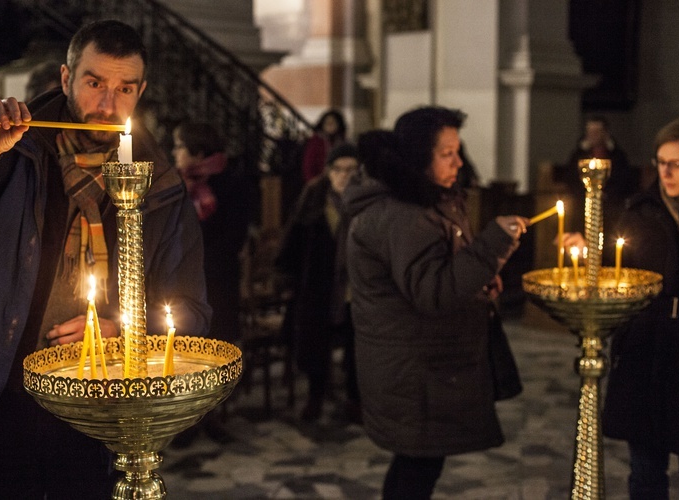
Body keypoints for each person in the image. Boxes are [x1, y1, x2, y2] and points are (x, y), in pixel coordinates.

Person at [0, 20, 211, 499]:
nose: (108, 105)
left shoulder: (162, 186)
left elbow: (190, 307)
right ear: (66, 79)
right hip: (4, 387)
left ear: (141, 90)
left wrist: (122, 328)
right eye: (94, 84)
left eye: (125, 88)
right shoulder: (16, 148)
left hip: (99, 398)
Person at [344, 106, 526, 499]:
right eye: (447, 153)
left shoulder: (421, 202)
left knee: (420, 463)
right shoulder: (404, 215)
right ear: (417, 157)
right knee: (417, 467)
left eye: (458, 151)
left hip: (419, 361)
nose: (459, 162)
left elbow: (436, 274)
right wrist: (492, 245)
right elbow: (435, 292)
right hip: (414, 367)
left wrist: (479, 281)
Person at [593, 116, 679, 499]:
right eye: (660, 161)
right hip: (645, 350)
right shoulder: (641, 210)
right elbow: (614, 270)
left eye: (677, 163)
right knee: (646, 470)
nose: (664, 171)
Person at [168, 120, 255, 446]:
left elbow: (235, 234)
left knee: (216, 352)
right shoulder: (175, 185)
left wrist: (197, 258)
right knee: (184, 352)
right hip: (181, 285)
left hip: (217, 282)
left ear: (198, 150)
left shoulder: (232, 183)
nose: (174, 152)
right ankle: (186, 422)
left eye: (179, 146)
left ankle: (213, 417)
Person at [276, 142, 361, 422]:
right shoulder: (314, 197)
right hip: (317, 283)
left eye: (351, 169)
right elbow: (293, 238)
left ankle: (354, 399)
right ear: (329, 171)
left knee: (356, 344)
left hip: (354, 287)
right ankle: (315, 395)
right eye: (338, 169)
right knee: (315, 342)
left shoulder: (364, 201)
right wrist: (287, 279)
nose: (344, 176)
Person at [560, 115, 635, 230]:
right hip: (583, 207)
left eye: (596, 131)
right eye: (589, 131)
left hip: (610, 209)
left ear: (605, 133)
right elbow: (571, 179)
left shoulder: (617, 156)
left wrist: (605, 195)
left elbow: (624, 181)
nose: (592, 135)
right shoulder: (579, 156)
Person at [301, 109, 347, 183]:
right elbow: (308, 165)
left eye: (333, 123)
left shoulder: (343, 142)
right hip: (319, 181)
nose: (330, 126)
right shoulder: (316, 142)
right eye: (328, 123)